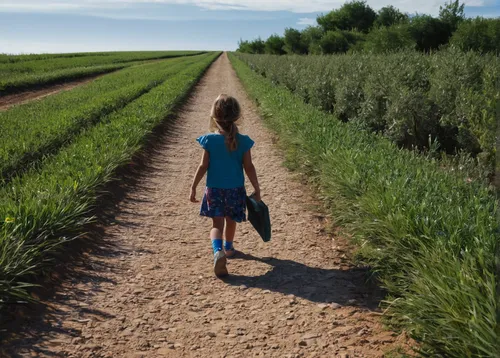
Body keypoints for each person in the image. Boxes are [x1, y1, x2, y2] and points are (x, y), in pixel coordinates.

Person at [190, 94, 261, 277]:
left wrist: (194, 186)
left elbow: (203, 166)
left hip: (214, 190)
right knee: (231, 221)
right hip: (235, 190)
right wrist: (257, 188)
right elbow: (249, 167)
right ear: (237, 116)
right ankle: (229, 248)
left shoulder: (209, 140)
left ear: (214, 116)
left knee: (216, 225)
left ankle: (217, 251)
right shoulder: (244, 141)